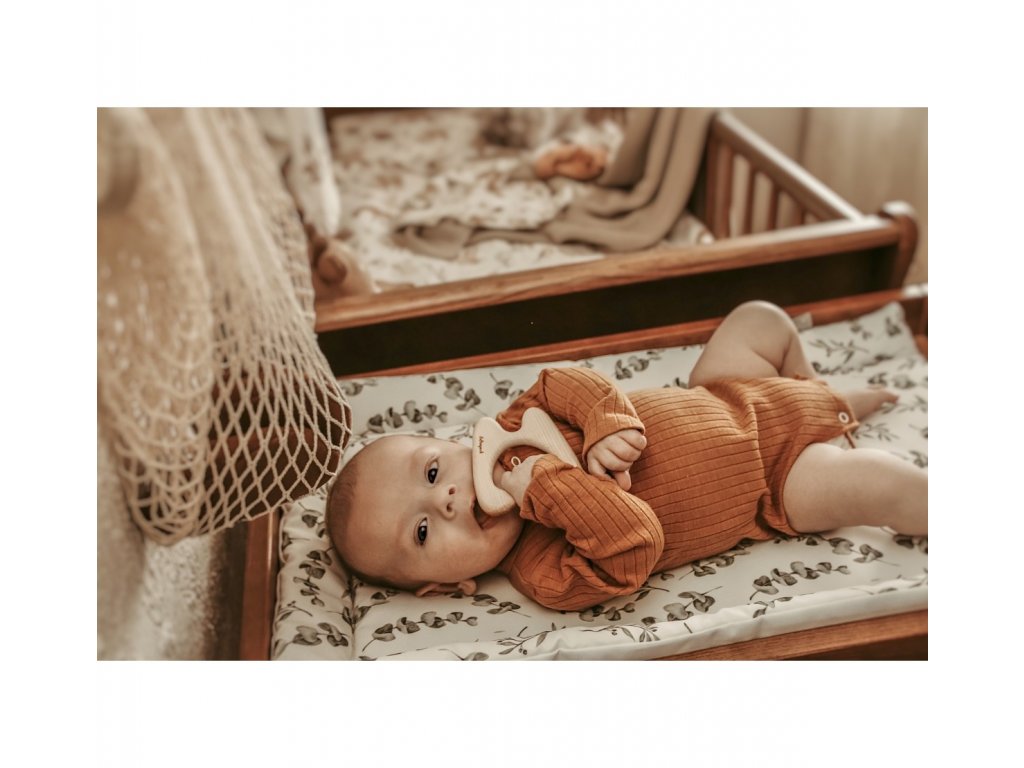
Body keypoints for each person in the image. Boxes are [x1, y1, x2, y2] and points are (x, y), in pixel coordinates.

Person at [326, 301, 927, 611]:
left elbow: (568, 382)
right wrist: (547, 486)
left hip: (726, 394)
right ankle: (840, 426)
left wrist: (604, 423)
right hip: (776, 483)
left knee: (759, 320)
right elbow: (637, 544)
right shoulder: (546, 574)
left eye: (433, 472)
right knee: (881, 484)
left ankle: (815, 392)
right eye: (423, 531)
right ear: (445, 586)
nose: (448, 498)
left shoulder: (514, 426)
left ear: (454, 443)